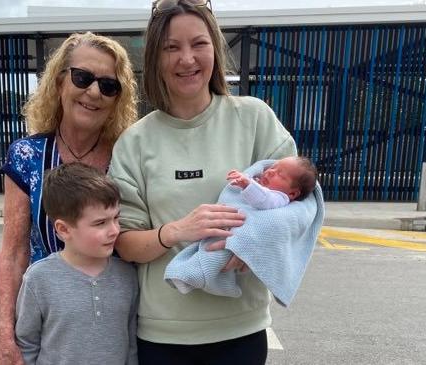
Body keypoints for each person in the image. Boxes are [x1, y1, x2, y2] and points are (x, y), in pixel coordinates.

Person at [107, 0, 297, 363]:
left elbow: (300, 204)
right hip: (163, 333)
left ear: (215, 48)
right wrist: (175, 231)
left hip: (241, 327)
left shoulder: (255, 119)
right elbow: (125, 243)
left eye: (199, 44)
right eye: (171, 48)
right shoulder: (135, 142)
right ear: (155, 59)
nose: (187, 59)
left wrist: (254, 240)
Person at [0, 32, 138, 365]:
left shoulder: (129, 156)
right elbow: (13, 252)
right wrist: (6, 335)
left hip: (114, 322)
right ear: (60, 82)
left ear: (118, 98)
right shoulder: (27, 156)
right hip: (53, 324)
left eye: (108, 85)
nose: (93, 92)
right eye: (83, 77)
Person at [15, 162, 138, 365]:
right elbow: (27, 344)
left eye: (116, 218)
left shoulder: (128, 275)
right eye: (100, 223)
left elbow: (131, 346)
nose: (115, 230)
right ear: (63, 229)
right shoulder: (39, 279)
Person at [164, 157, 323, 306]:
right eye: (273, 167)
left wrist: (247, 183)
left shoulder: (280, 198)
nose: (270, 171)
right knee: (207, 248)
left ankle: (190, 276)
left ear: (292, 193)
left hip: (241, 232)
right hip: (228, 225)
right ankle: (195, 275)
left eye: (280, 175)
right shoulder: (262, 184)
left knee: (216, 254)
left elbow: (263, 200)